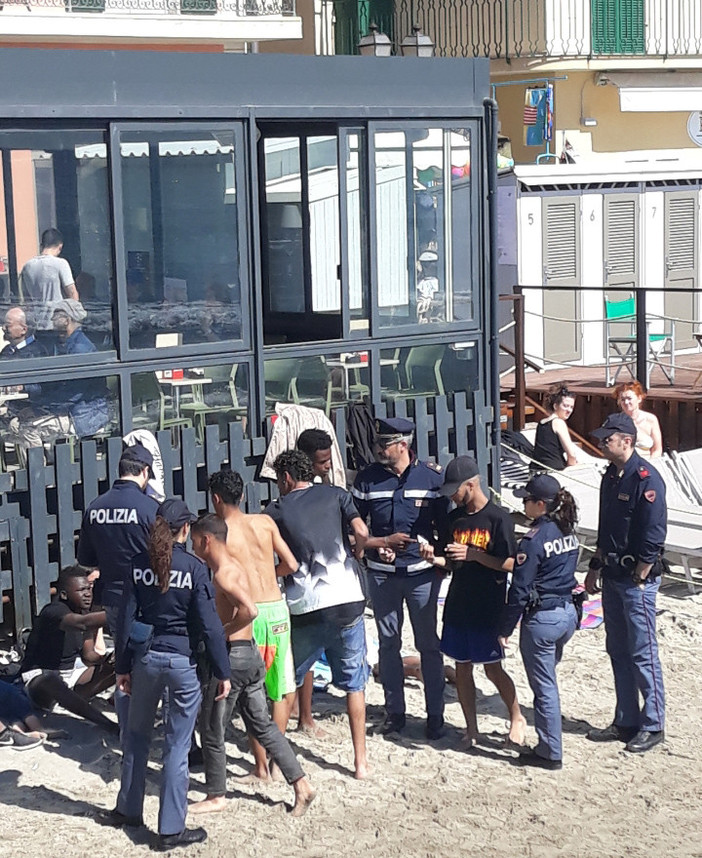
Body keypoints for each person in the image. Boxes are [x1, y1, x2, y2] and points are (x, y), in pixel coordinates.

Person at [97, 499, 231, 852]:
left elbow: (125, 621)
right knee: (176, 746)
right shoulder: (195, 568)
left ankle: (128, 809)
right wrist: (222, 670)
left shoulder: (139, 564)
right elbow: (211, 626)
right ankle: (170, 828)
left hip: (145, 661)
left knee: (136, 738)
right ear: (186, 529)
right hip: (183, 664)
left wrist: (122, 667)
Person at [189, 513, 316, 816]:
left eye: (194, 542)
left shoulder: (222, 575)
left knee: (211, 728)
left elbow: (249, 610)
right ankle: (301, 784)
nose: (193, 547)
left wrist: (219, 635)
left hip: (232, 657)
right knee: (265, 727)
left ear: (206, 540)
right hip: (250, 655)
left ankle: (216, 794)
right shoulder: (234, 566)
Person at [266, 450, 370, 779]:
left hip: (306, 605)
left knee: (287, 683)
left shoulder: (276, 510)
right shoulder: (338, 494)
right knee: (355, 686)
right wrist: (355, 554)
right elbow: (362, 531)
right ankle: (360, 763)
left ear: (285, 477)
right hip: (348, 598)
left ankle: (272, 761)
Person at [351, 417, 448, 739]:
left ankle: (436, 714)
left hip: (421, 577)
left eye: (384, 444)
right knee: (388, 645)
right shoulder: (367, 480)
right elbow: (353, 529)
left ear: (402, 445)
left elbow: (445, 530)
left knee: (428, 645)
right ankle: (396, 713)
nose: (377, 449)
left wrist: (433, 551)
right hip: (382, 577)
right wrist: (378, 545)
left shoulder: (432, 479)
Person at [419, 456, 525, 747]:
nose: (452, 495)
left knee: (492, 668)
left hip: (488, 604)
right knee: (462, 668)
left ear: (472, 484)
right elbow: (451, 561)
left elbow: (513, 564)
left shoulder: (499, 518)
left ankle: (516, 716)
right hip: (458, 603)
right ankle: (471, 728)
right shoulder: (455, 519)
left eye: (456, 489)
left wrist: (476, 555)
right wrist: (433, 557)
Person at [207, 468, 299, 780]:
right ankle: (278, 760)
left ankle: (261, 767)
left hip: (249, 615)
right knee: (281, 687)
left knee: (251, 694)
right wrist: (267, 575)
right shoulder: (265, 522)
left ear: (216, 499)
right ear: (243, 495)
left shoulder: (222, 533)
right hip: (277, 609)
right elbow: (292, 564)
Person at [585, 412, 667, 754]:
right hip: (613, 574)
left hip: (637, 580)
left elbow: (654, 530)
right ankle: (626, 719)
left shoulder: (646, 479)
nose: (603, 443)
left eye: (608, 439)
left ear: (627, 441)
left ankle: (653, 724)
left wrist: (642, 572)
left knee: (643, 653)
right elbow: (607, 526)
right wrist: (594, 566)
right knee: (617, 651)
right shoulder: (611, 477)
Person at [497, 474, 580, 770]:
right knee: (548, 680)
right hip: (568, 614)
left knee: (544, 688)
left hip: (542, 619)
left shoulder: (534, 540)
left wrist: (505, 629)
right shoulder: (568, 530)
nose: (523, 503)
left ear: (540, 504)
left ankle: (550, 751)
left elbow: (519, 589)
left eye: (527, 499)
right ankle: (549, 744)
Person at [77, 444, 159, 729]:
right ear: (145, 472)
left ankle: (128, 726)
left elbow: (85, 558)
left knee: (124, 660)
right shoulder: (151, 509)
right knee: (150, 660)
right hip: (147, 598)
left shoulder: (95, 508)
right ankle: (141, 723)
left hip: (112, 596)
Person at [19, 564, 117, 734]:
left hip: (70, 676)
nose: (88, 593)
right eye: (81, 590)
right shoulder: (54, 612)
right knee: (51, 681)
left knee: (122, 663)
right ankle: (108, 725)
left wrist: (106, 661)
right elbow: (81, 623)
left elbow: (88, 656)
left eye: (88, 588)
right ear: (64, 594)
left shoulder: (83, 613)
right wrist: (123, 613)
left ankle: (74, 701)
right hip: (38, 680)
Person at [295, 427, 334, 734]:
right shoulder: (290, 495)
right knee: (302, 652)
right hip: (301, 580)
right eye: (322, 461)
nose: (328, 465)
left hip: (326, 577)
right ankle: (302, 714)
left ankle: (304, 713)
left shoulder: (327, 487)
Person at [19, 228, 79, 337]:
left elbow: (26, 300)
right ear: (60, 246)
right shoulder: (60, 263)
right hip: (58, 324)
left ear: (42, 245)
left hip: (37, 325)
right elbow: (72, 293)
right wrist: (75, 321)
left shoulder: (27, 266)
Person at [531, 385, 580, 471]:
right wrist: (572, 468)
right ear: (555, 406)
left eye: (571, 407)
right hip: (553, 471)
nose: (569, 410)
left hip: (535, 471)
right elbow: (571, 455)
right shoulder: (558, 423)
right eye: (565, 406)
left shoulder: (541, 423)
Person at [613, 381, 662, 459]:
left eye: (629, 398)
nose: (626, 402)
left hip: (647, 464)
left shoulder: (651, 419)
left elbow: (657, 450)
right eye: (622, 399)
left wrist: (650, 465)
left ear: (639, 398)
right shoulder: (615, 421)